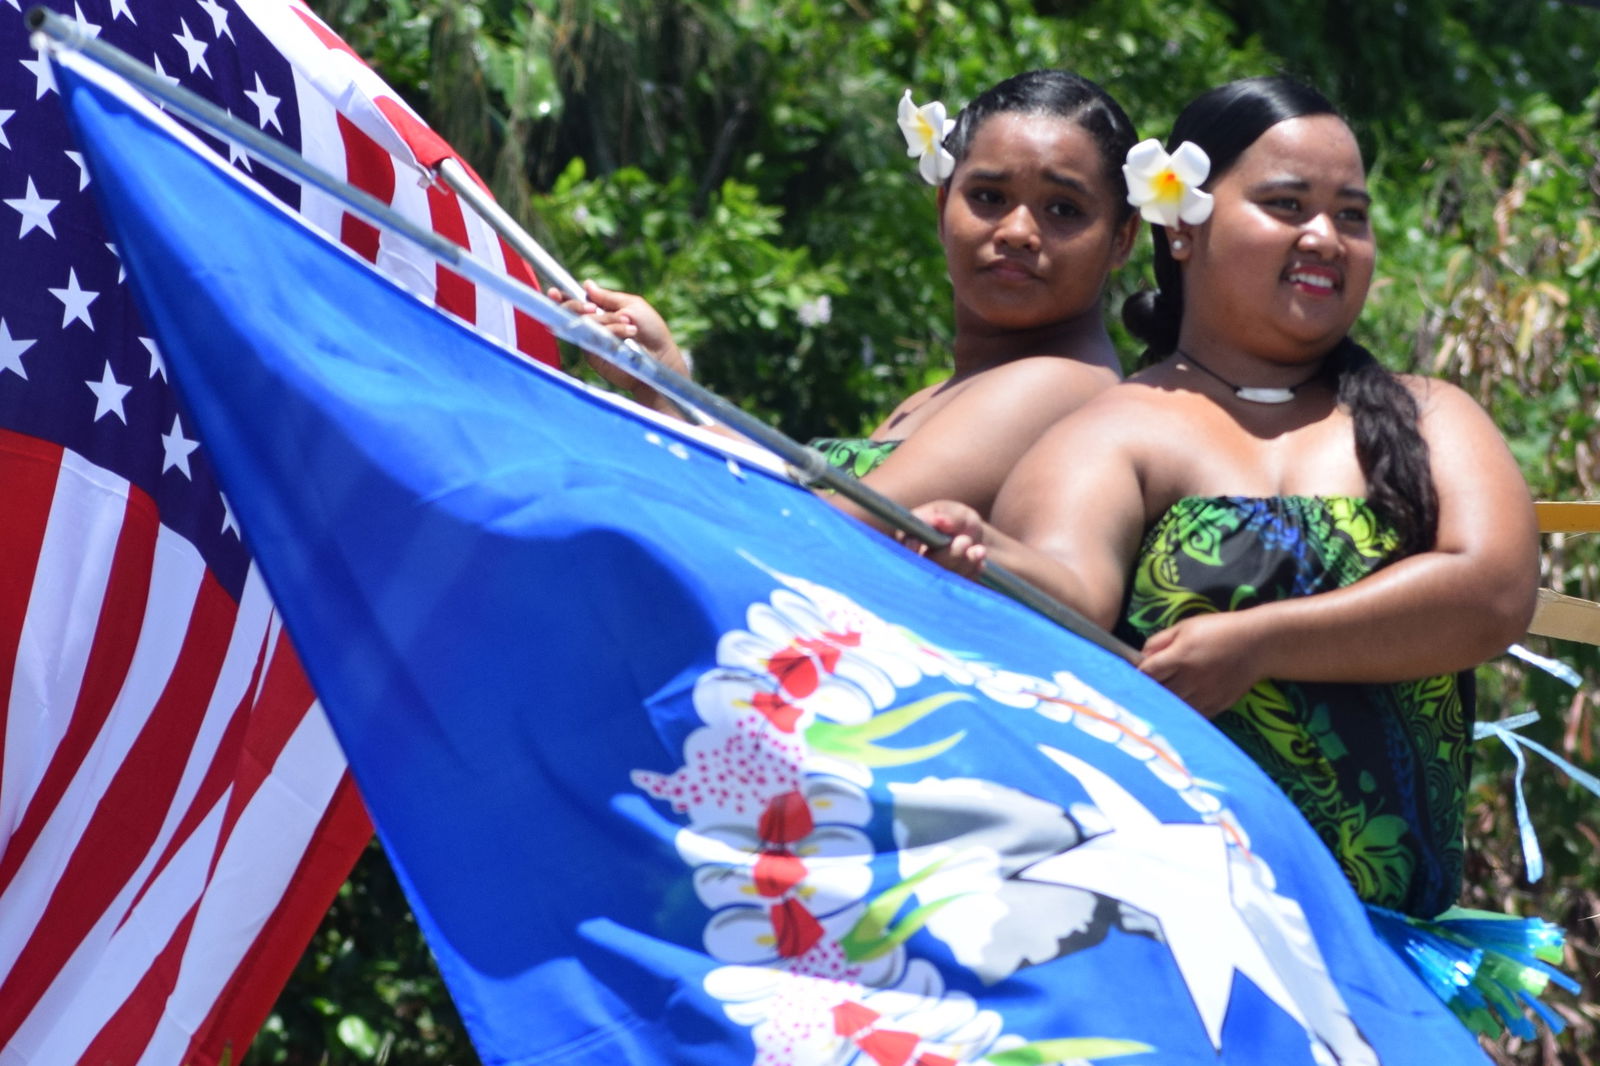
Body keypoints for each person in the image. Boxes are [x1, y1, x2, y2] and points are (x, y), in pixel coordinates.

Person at [912, 75, 1570, 1038]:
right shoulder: (1117, 429)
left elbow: (1492, 592)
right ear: (1184, 225)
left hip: (1387, 973)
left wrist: (1258, 641)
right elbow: (1071, 592)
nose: (1324, 239)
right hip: (1182, 959)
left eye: (1351, 216)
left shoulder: (1431, 417)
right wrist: (984, 552)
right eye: (1286, 206)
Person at [552, 69, 1141, 526]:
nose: (1016, 230)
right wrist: (664, 381)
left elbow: (835, 532)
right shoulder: (945, 393)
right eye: (988, 196)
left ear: (1121, 239)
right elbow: (804, 494)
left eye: (1063, 210)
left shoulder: (1057, 383)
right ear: (943, 207)